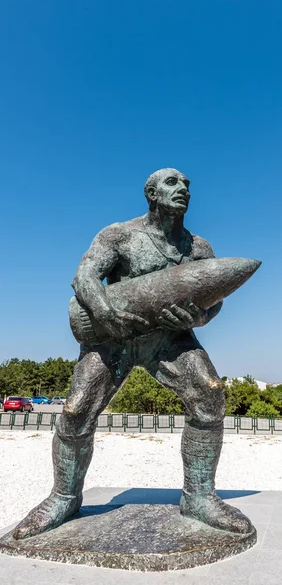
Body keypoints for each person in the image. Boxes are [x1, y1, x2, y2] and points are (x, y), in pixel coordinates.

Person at [13, 168, 253, 540]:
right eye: (173, 183)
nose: (184, 189)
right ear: (152, 194)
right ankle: (63, 497)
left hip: (169, 338)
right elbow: (85, 277)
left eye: (187, 184)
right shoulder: (119, 235)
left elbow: (214, 299)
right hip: (114, 337)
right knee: (76, 411)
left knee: (209, 393)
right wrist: (107, 315)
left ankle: (200, 496)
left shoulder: (199, 249)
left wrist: (201, 317)